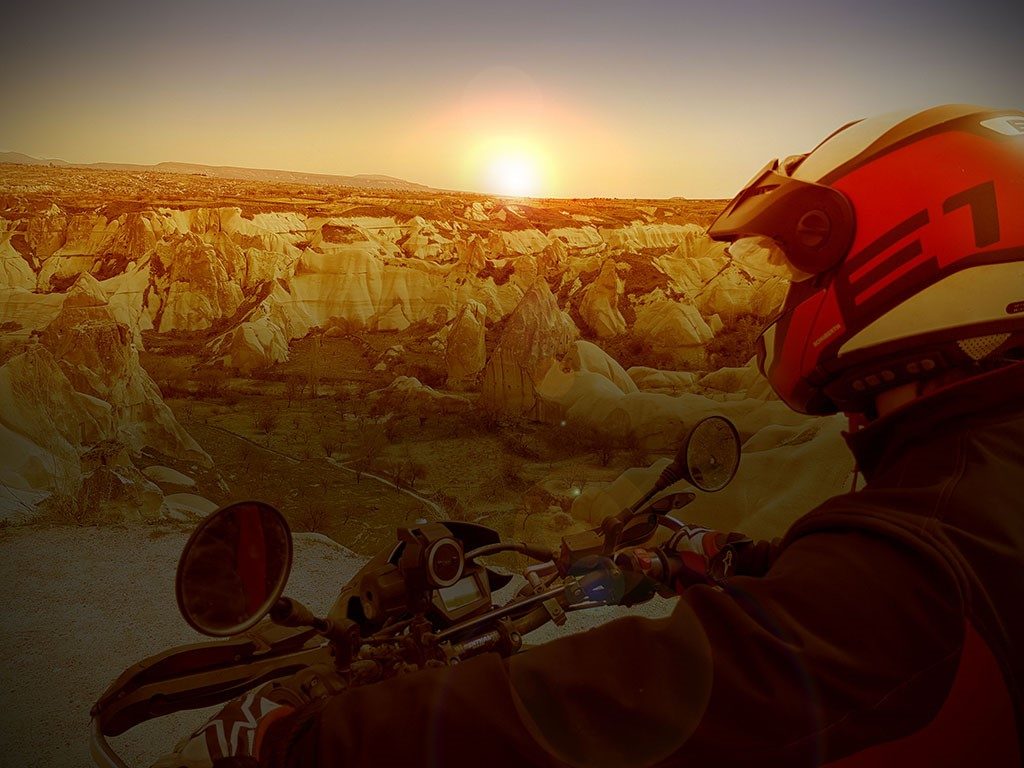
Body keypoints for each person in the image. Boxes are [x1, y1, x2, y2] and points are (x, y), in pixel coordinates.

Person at [162, 104, 1024, 767]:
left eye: (804, 269)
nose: (792, 299)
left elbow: (618, 706)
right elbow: (832, 613)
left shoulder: (925, 571)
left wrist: (304, 740)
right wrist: (733, 560)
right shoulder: (981, 482)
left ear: (925, 250)